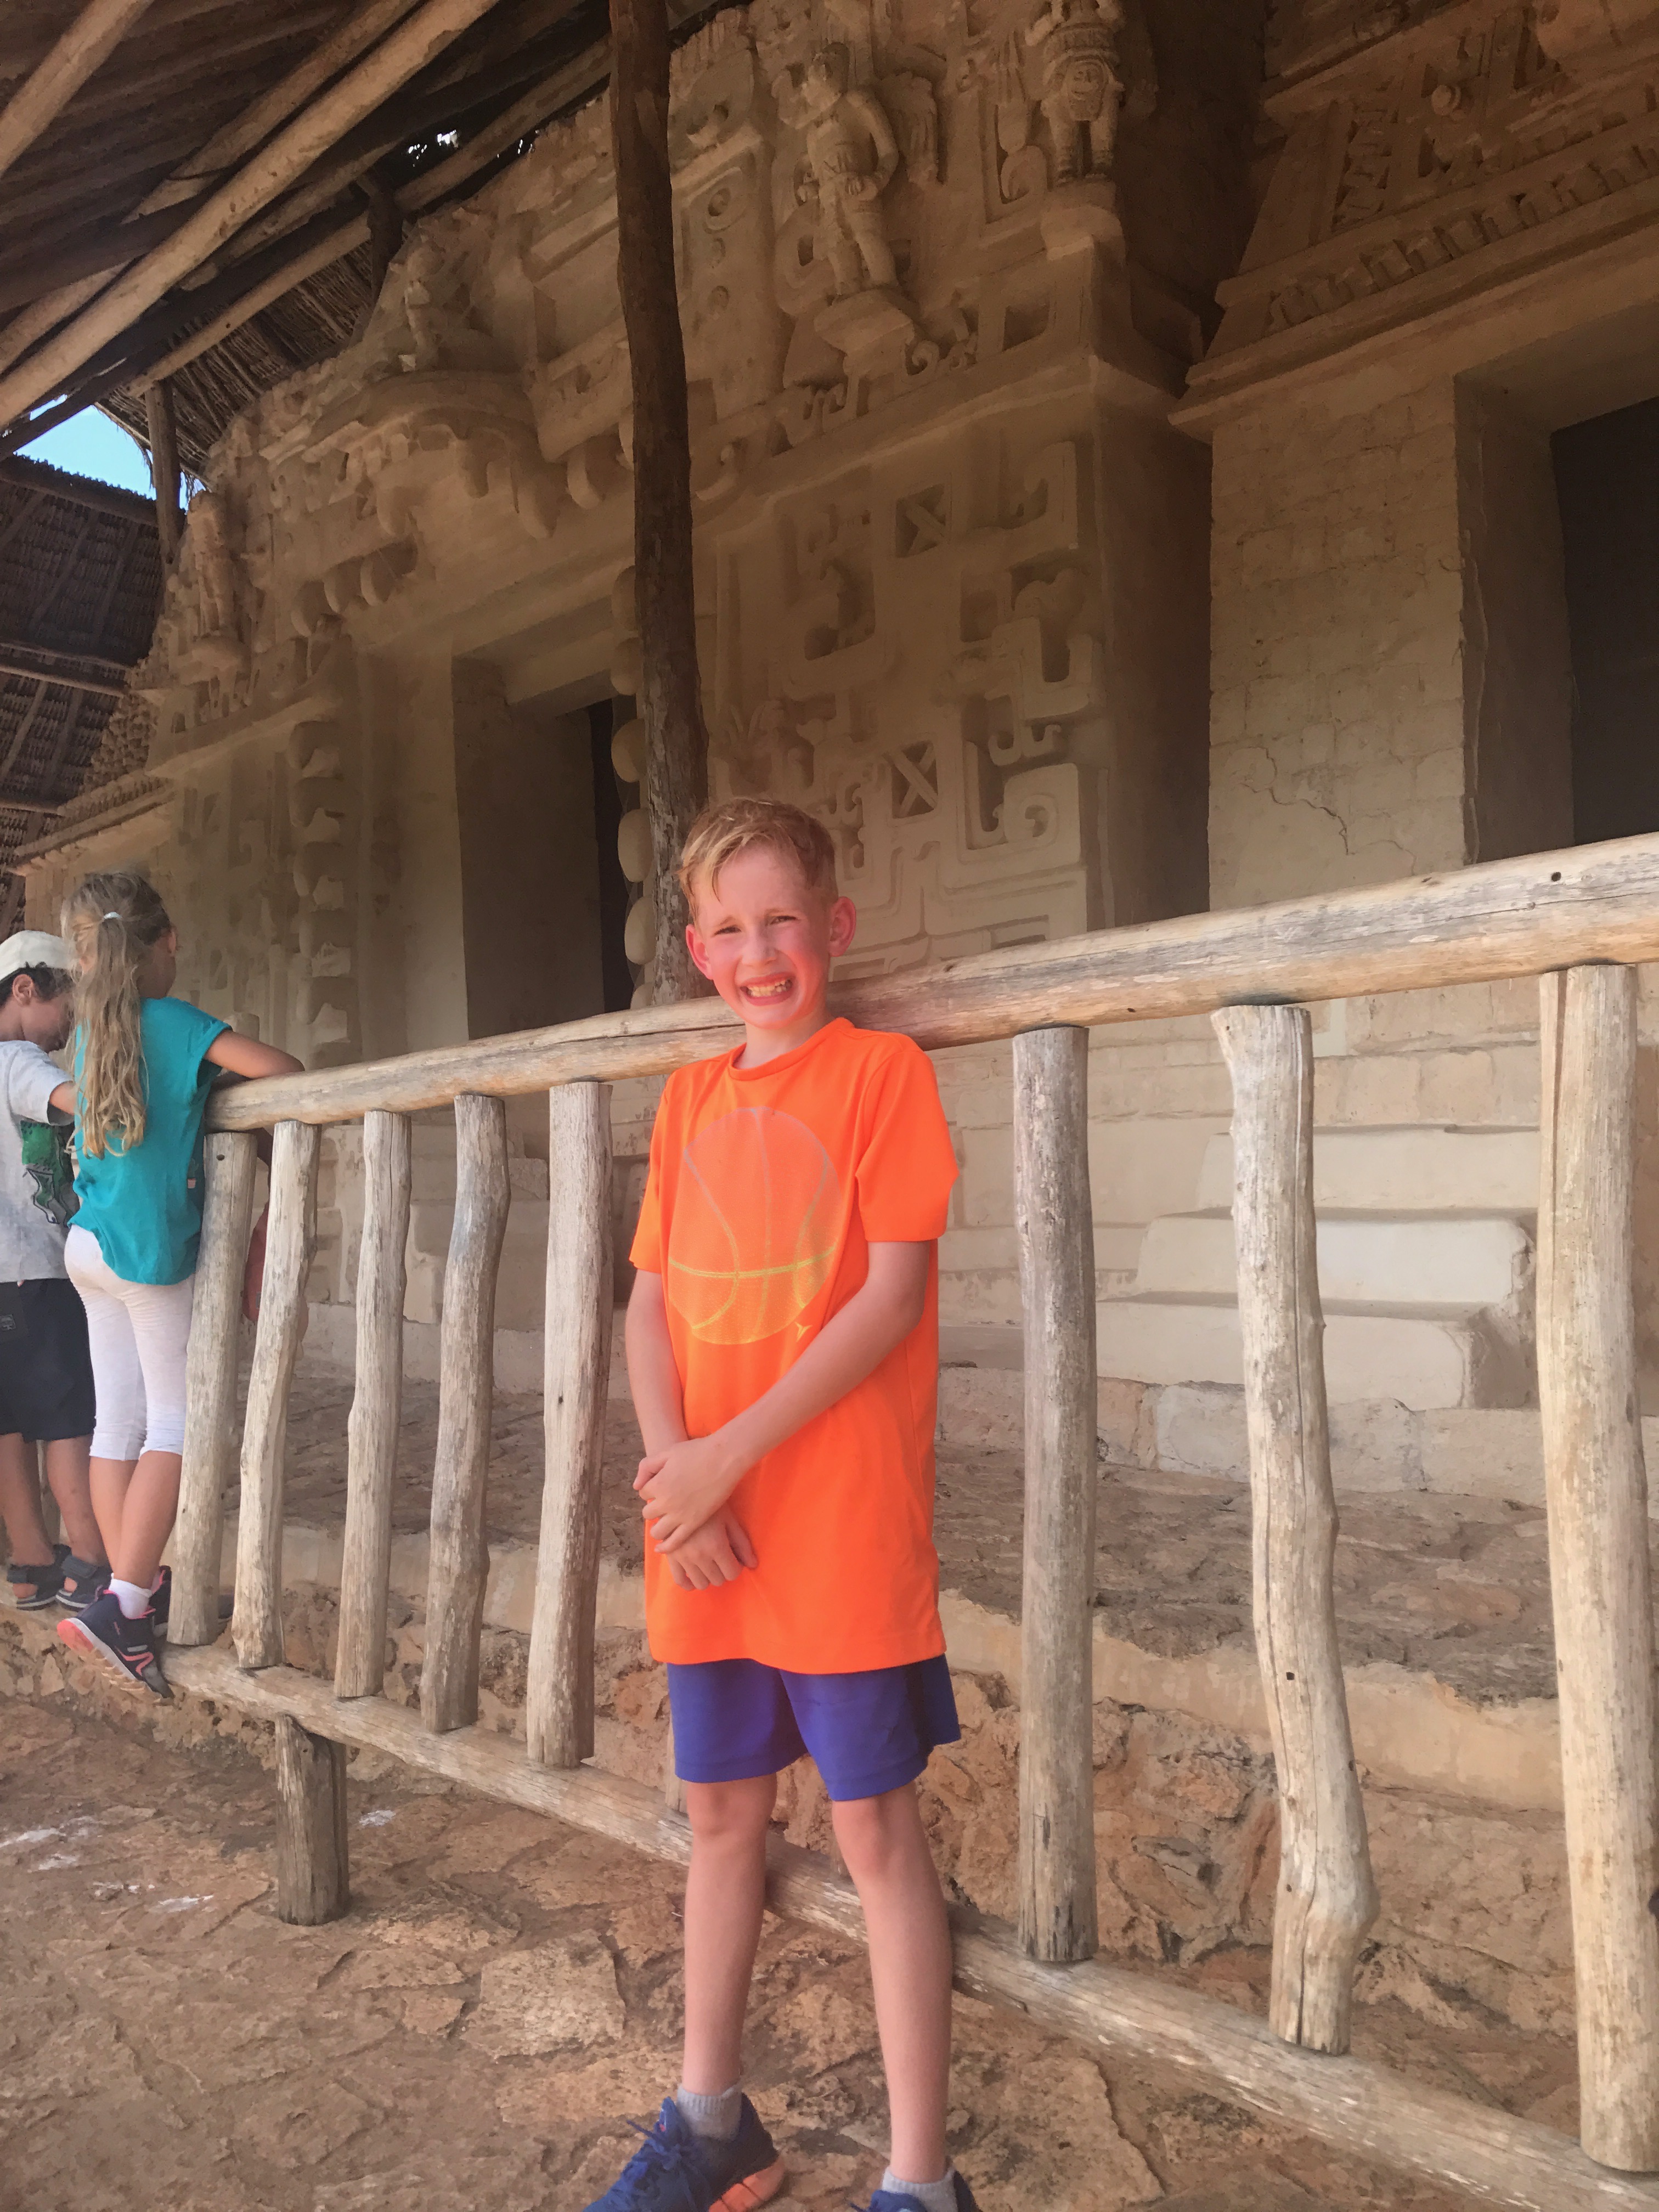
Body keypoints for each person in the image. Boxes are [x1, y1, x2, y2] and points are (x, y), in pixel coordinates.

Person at [590, 797, 975, 2212]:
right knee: (720, 1818)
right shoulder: (691, 1098)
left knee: (876, 1838)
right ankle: (712, 2122)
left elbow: (889, 1298)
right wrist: (679, 1478)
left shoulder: (879, 1076)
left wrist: (724, 1460)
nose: (760, 954)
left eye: (783, 923)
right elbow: (646, 1308)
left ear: (835, 929)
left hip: (836, 1531)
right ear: (699, 951)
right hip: (708, 1537)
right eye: (731, 930)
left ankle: (920, 2178)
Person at [54, 872, 302, 1696]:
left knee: (116, 1421)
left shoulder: (90, 1034)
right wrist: (210, 1074)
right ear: (165, 945)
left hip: (88, 1246)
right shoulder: (177, 1022)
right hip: (146, 1253)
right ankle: (127, 1605)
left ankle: (121, 1583)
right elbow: (284, 1068)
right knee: (177, 1423)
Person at [0, 931, 105, 1611]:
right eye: (69, 1005)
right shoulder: (19, 1060)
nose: (72, 1026)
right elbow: (79, 1101)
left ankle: (31, 1563)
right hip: (35, 1271)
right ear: (25, 989)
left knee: (9, 1421)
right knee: (68, 1420)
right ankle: (90, 1563)